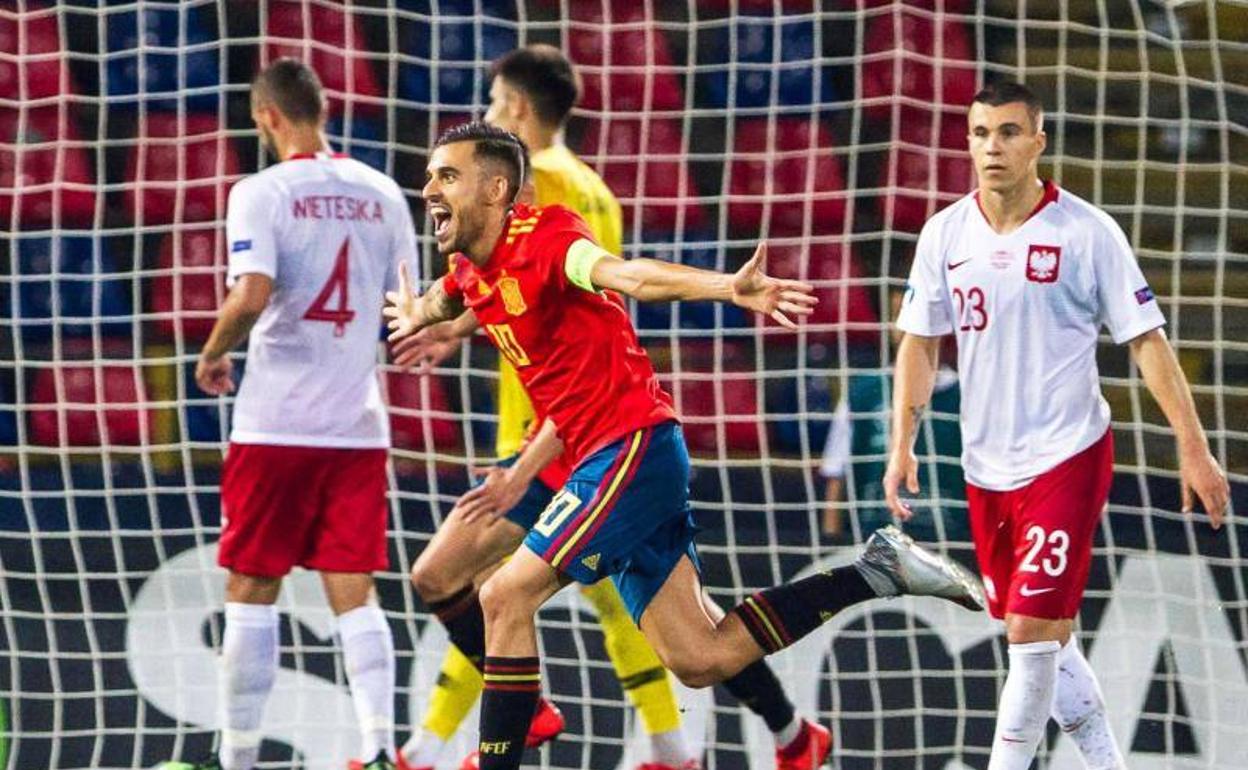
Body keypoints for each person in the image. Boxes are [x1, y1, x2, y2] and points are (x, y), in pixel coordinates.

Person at [385, 120, 985, 770]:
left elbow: (631, 276)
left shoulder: (550, 238)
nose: (430, 189)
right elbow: (458, 298)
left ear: (497, 188)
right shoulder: (473, 268)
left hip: (628, 446)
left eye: (447, 175)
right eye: (429, 176)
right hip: (612, 459)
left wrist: (728, 286)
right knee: (700, 657)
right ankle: (873, 571)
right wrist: (422, 312)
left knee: (504, 594)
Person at [394, 45, 828, 770]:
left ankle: (646, 747)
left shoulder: (553, 200)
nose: (491, 111)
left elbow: (608, 296)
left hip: (572, 440)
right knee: (654, 627)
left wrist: (724, 288)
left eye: (496, 102)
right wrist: (442, 320)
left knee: (517, 596)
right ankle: (773, 733)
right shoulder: (569, 196)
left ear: (516, 125)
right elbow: (492, 285)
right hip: (559, 434)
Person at [884, 81, 1230, 770]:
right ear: (967, 140)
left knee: (1031, 640)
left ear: (1038, 142)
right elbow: (920, 343)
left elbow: (1146, 342)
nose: (993, 148)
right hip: (985, 465)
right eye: (981, 133)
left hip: (1067, 454)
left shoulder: (1086, 232)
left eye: (1009, 133)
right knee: (1047, 639)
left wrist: (1195, 448)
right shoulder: (945, 234)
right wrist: (902, 444)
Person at [162, 59, 418, 770]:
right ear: (324, 109)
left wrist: (212, 353)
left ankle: (235, 758)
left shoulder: (260, 192)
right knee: (355, 592)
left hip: (276, 423)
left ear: (267, 117)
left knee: (250, 586)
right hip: (359, 427)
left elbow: (251, 293)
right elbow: (409, 308)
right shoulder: (383, 193)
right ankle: (376, 749)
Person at [820, 289, 965, 544]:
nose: (906, 326)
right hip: (873, 537)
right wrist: (830, 542)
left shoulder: (965, 393)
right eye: (898, 315)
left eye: (915, 315)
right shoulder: (863, 391)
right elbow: (836, 473)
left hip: (948, 538)